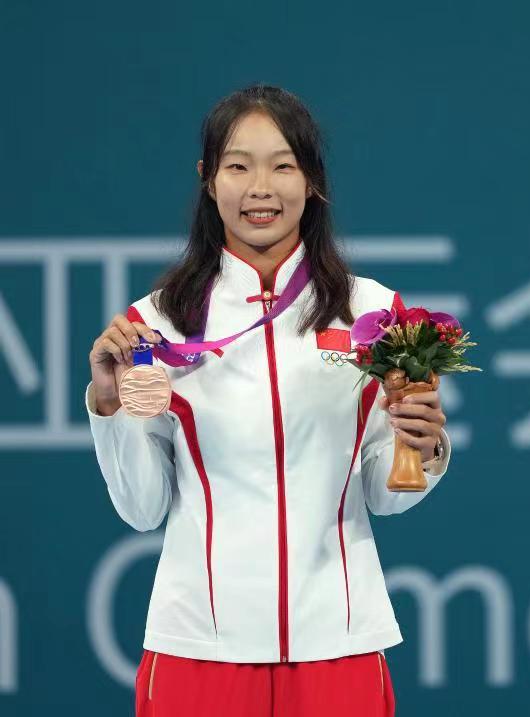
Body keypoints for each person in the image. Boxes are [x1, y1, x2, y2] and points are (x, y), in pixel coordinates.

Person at [86, 85, 450, 717]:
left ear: (312, 180)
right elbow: (142, 508)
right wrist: (109, 404)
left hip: (337, 640)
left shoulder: (373, 315)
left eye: (283, 166)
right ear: (208, 179)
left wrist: (425, 447)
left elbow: (386, 495)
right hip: (200, 646)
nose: (261, 188)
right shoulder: (155, 326)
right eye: (238, 166)